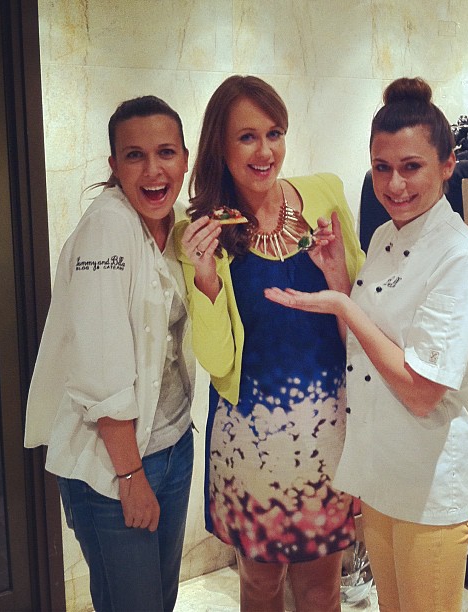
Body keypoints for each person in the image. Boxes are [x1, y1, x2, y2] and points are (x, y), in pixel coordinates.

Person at [265, 77, 468, 612]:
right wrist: (339, 279)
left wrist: (343, 305)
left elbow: (421, 391)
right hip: (381, 475)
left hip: (429, 488)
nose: (394, 184)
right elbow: (366, 353)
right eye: (381, 167)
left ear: (448, 164)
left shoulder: (462, 259)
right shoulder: (385, 236)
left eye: (411, 166)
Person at [176, 75, 365, 612]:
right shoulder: (201, 228)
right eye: (247, 137)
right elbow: (217, 361)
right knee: (259, 585)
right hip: (249, 440)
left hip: (328, 430)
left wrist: (336, 277)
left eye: (274, 133)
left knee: (322, 588)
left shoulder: (324, 195)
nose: (265, 152)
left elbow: (361, 325)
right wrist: (206, 278)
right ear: (220, 146)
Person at [24, 96, 195, 612]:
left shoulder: (176, 226)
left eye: (166, 152)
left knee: (159, 600)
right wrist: (130, 476)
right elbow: (100, 369)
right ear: (114, 165)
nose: (153, 170)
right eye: (134, 155)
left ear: (185, 158)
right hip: (115, 462)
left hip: (172, 445)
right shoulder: (108, 228)